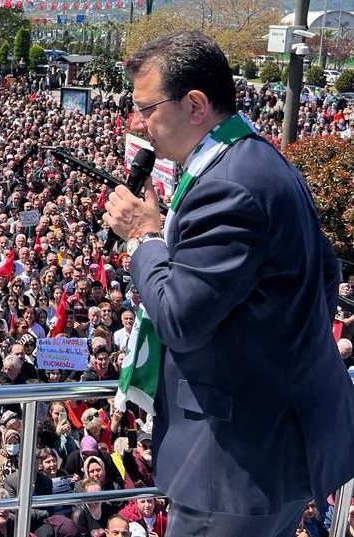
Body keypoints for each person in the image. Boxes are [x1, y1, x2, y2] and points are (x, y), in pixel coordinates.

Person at [103, 31, 354, 536]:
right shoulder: (256, 157)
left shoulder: (228, 185)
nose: (136, 123)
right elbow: (329, 275)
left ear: (194, 104)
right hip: (273, 444)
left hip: (236, 460)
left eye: (145, 108)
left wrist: (143, 238)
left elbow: (179, 318)